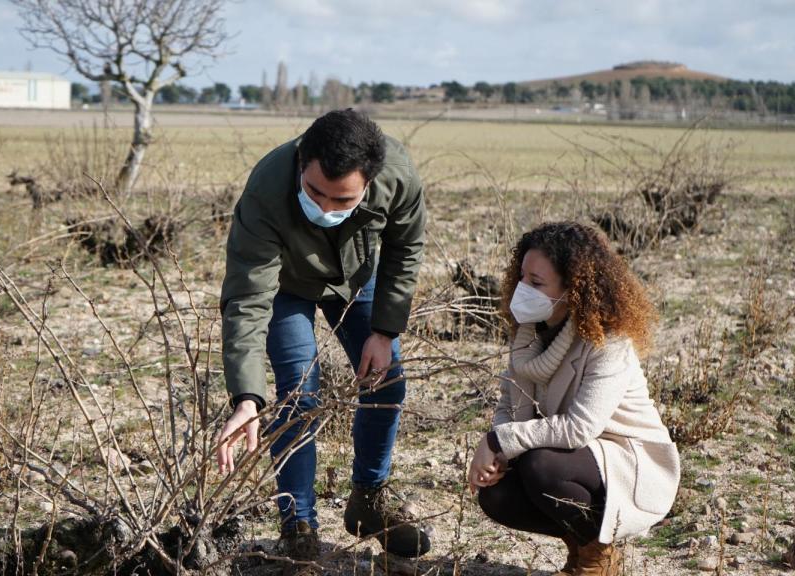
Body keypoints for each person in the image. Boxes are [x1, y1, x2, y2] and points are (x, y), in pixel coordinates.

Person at [214, 109, 429, 573]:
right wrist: (247, 397)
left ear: (369, 183)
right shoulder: (268, 188)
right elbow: (249, 296)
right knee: (299, 389)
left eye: (343, 199)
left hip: (356, 278)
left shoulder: (397, 173)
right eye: (314, 193)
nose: (327, 208)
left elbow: (405, 247)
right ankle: (299, 525)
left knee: (386, 379)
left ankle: (368, 501)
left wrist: (385, 329)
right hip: (286, 287)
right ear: (301, 163)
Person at [468, 221, 680, 576]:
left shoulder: (608, 341)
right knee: (496, 494)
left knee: (540, 466)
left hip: (625, 458)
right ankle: (580, 553)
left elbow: (579, 428)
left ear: (573, 290)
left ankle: (599, 557)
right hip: (568, 454)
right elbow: (510, 402)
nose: (523, 289)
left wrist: (496, 439)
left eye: (536, 283)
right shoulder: (526, 337)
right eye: (522, 277)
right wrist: (498, 452)